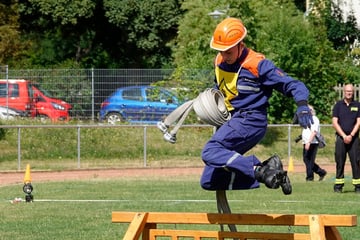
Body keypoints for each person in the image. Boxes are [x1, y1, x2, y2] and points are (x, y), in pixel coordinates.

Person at [199, 17, 313, 195]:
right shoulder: (219, 62)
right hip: (232, 121)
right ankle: (271, 172)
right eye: (221, 51)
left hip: (251, 120)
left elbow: (294, 85)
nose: (224, 56)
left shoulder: (258, 65)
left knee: (210, 151)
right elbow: (220, 88)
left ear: (240, 44)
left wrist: (302, 105)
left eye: (228, 51)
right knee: (210, 181)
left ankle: (260, 170)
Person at [332, 83, 360, 193]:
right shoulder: (338, 105)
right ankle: (338, 186)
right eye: (347, 91)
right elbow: (334, 122)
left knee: (356, 162)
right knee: (340, 162)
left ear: (353, 92)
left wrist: (351, 135)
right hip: (340, 138)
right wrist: (344, 136)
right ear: (344, 92)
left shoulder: (357, 105)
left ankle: (358, 186)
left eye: (351, 91)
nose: (349, 93)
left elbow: (359, 122)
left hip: (354, 139)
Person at [301, 105, 327, 181]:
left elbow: (314, 131)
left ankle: (310, 177)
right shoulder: (306, 119)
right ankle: (321, 172)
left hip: (312, 142)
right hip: (306, 142)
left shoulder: (314, 119)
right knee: (306, 159)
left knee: (310, 160)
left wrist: (309, 142)